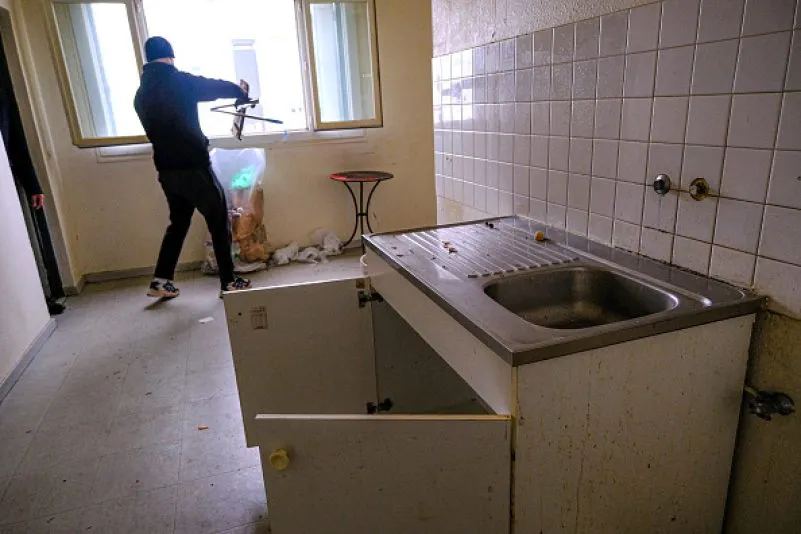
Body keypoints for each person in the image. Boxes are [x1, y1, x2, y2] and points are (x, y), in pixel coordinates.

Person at [134, 36, 252, 299]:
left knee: (178, 224)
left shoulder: (140, 95)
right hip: (194, 168)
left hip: (167, 171)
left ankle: (160, 280)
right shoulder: (178, 81)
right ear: (170, 56)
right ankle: (229, 281)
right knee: (219, 221)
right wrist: (238, 90)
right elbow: (210, 86)